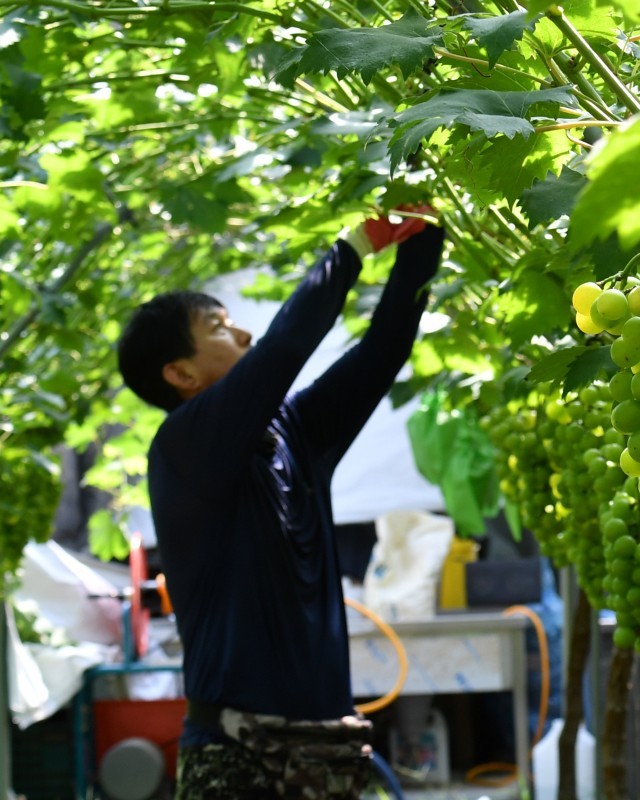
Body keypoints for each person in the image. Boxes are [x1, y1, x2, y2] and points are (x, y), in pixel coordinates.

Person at [116, 209, 445, 799]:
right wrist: (353, 246)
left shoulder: (294, 430)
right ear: (180, 373)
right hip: (238, 755)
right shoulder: (183, 447)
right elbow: (285, 347)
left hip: (325, 746)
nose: (242, 334)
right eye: (219, 327)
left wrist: (425, 236)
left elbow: (385, 348)